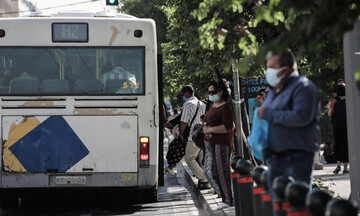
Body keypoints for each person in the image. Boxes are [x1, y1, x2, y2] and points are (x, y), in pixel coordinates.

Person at [258, 49, 321, 202]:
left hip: (296, 157)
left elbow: (301, 117)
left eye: (271, 67)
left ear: (284, 69)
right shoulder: (275, 91)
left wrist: (269, 114)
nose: (268, 72)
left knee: (296, 204)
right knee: (279, 206)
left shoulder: (303, 87)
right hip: (275, 157)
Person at [203, 80, 235, 210]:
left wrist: (210, 130)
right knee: (209, 171)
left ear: (221, 92)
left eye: (213, 92)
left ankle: (228, 199)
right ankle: (225, 197)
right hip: (210, 143)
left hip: (221, 143)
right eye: (209, 92)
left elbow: (229, 127)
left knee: (222, 171)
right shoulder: (213, 106)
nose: (211, 94)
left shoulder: (225, 107)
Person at [179, 85, 210, 190]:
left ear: (187, 93)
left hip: (193, 136)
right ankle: (204, 182)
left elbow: (183, 122)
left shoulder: (187, 104)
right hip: (203, 134)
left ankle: (205, 178)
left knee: (189, 159)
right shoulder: (202, 104)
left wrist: (181, 133)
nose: (184, 96)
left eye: (184, 94)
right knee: (201, 160)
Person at [328, 84, 349, 174]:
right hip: (347, 125)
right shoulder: (348, 99)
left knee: (338, 145)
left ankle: (338, 165)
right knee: (346, 145)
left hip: (337, 126)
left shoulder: (334, 100)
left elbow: (329, 113)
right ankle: (345, 168)